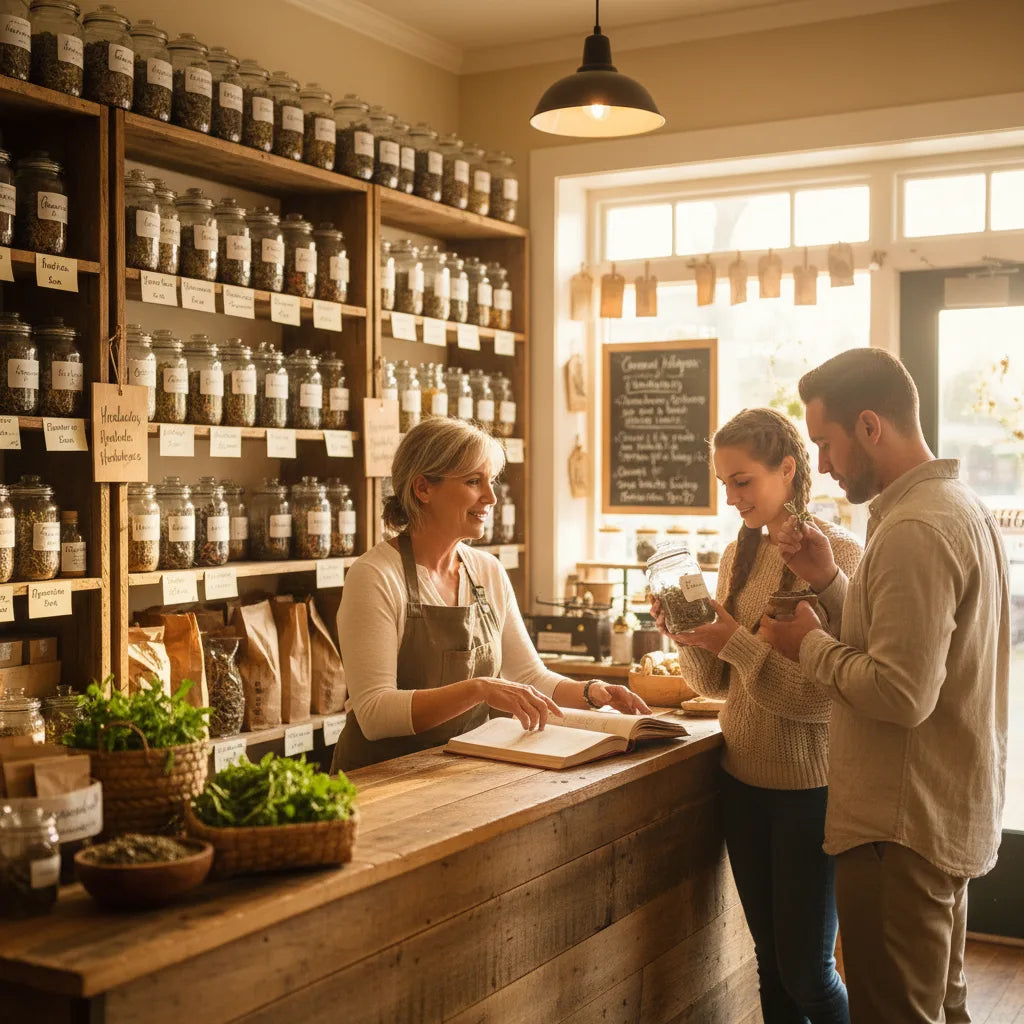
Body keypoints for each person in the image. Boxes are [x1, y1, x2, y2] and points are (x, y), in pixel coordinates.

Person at [761, 348, 1010, 1024]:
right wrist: (831, 582)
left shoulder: (914, 530)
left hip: (897, 831)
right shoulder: (958, 507)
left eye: (827, 443)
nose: (827, 464)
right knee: (942, 1011)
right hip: (938, 814)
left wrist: (805, 644)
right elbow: (915, 647)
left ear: (870, 426)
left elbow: (901, 693)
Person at [654, 407, 861, 1024]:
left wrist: (731, 642)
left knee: (809, 972)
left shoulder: (841, 555)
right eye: (723, 484)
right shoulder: (734, 556)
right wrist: (689, 639)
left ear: (788, 470)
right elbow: (718, 685)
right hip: (740, 784)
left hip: (809, 793)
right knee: (770, 963)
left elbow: (816, 700)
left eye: (742, 481)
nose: (731, 497)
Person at [332, 417, 650, 772]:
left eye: (491, 481)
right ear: (423, 488)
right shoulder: (374, 576)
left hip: (456, 771)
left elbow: (530, 678)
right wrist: (479, 689)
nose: (492, 497)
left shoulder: (486, 571)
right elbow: (375, 714)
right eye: (473, 481)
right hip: (377, 781)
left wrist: (592, 692)